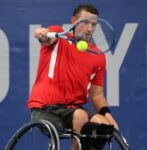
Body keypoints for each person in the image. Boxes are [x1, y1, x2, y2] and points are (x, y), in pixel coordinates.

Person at [27, 3, 119, 150]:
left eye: (94, 24)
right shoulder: (58, 37)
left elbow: (96, 95)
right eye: (85, 22)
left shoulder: (98, 57)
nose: (90, 29)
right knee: (81, 115)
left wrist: (108, 115)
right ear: (73, 21)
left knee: (104, 125)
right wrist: (42, 34)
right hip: (44, 110)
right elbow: (47, 38)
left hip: (73, 111)